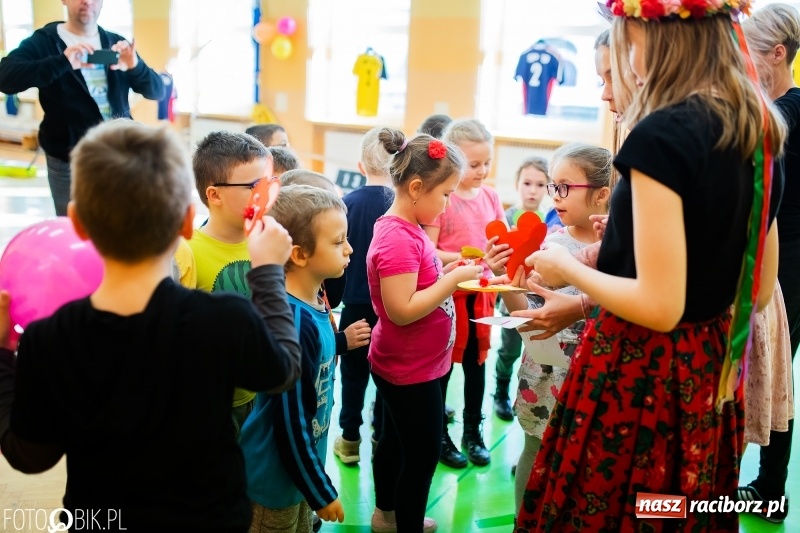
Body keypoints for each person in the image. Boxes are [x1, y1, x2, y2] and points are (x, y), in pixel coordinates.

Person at [516, 1, 785, 530]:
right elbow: (755, 287)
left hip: (642, 377)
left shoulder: (663, 137)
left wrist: (568, 268)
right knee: (672, 508)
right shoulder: (758, 128)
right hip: (706, 372)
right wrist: (601, 267)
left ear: (650, 38)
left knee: (614, 505)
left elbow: (660, 305)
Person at [0, 119, 302, 531]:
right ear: (185, 220)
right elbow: (283, 368)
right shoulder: (224, 319)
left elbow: (30, 456)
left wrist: (1, 356)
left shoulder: (49, 339)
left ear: (78, 222)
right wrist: (268, 272)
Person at [486, 143, 611, 518]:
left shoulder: (621, 246)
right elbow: (528, 316)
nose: (553, 196)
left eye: (563, 187)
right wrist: (505, 281)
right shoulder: (552, 246)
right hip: (547, 371)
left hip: (598, 374)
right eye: (551, 186)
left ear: (602, 195)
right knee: (536, 450)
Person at [368, 128, 480, 532]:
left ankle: (386, 513)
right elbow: (400, 310)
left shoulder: (410, 227)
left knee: (398, 442)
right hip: (408, 369)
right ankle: (403, 523)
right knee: (421, 454)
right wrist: (452, 281)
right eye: (445, 194)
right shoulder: (398, 237)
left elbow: (418, 282)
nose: (448, 206)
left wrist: (449, 271)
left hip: (416, 364)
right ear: (416, 187)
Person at [240, 185, 348, 533]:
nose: (350, 248)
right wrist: (320, 491)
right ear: (300, 255)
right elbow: (289, 420)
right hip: (274, 483)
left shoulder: (314, 304)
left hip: (297, 475)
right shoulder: (295, 324)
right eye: (338, 241)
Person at [0, 0, 164, 217]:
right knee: (73, 229)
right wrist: (62, 62)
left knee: (119, 225)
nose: (87, 1)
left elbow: (158, 91)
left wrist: (135, 67)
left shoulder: (115, 42)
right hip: (68, 160)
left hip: (118, 156)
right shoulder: (45, 41)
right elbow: (5, 78)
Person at [738, 4, 800, 522]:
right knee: (771, 372)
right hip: (773, 264)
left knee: (772, 372)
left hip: (789, 268)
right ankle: (768, 486)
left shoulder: (789, 110)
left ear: (777, 54)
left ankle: (769, 488)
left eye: (749, 54)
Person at [424, 119, 505, 468]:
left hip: (482, 295)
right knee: (443, 367)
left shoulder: (491, 196)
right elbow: (428, 249)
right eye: (474, 165)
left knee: (476, 364)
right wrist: (468, 258)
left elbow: (502, 240)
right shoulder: (445, 199)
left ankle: (473, 430)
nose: (483, 171)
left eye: (487, 163)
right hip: (449, 295)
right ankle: (440, 433)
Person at [187, 131, 273, 441]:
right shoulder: (188, 254)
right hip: (209, 403)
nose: (264, 195)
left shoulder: (269, 241)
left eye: (267, 184)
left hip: (262, 392)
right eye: (253, 187)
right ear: (215, 195)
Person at [325, 127, 395, 465]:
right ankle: (382, 434)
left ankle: (350, 439)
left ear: (360, 165)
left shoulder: (345, 205)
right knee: (388, 374)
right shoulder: (403, 208)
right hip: (395, 307)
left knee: (353, 376)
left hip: (355, 306)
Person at [492, 156, 551, 421]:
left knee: (539, 350)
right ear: (517, 184)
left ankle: (529, 395)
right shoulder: (506, 217)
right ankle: (501, 391)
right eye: (527, 183)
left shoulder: (552, 219)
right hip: (513, 295)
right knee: (510, 347)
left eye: (540, 184)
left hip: (542, 295)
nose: (532, 190)